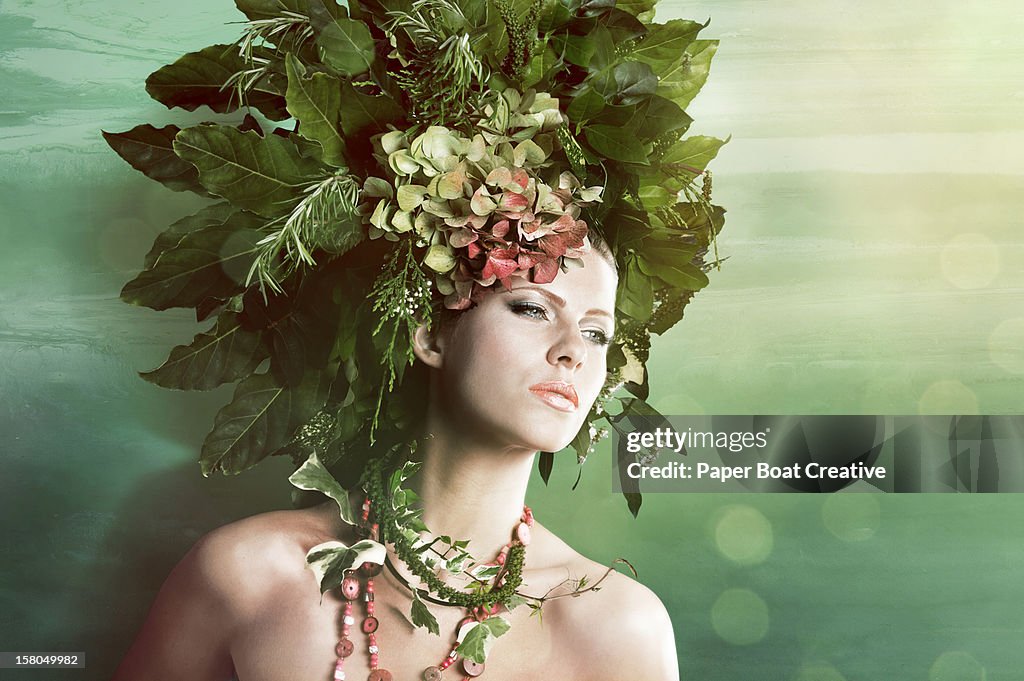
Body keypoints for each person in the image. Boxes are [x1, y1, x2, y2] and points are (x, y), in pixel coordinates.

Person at [111, 244, 680, 681]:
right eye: (532, 308)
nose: (573, 351)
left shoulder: (616, 624)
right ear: (431, 333)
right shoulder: (250, 573)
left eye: (597, 333)